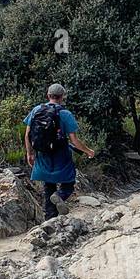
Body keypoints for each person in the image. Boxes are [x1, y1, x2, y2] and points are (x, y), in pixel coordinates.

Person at [24, 83, 95, 220]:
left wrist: (30, 153)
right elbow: (74, 140)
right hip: (61, 153)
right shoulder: (65, 114)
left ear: (48, 95)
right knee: (68, 182)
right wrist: (88, 151)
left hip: (42, 153)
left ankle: (50, 219)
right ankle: (60, 195)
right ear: (62, 97)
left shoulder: (36, 110)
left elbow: (27, 135)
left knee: (48, 185)